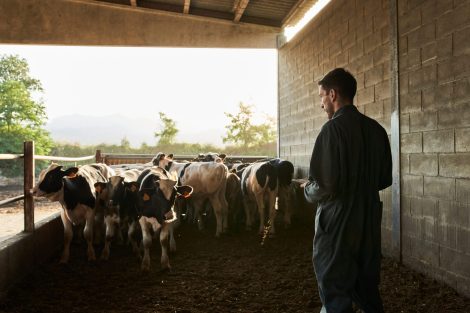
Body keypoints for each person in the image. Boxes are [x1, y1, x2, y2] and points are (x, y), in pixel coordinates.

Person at [303, 68, 392, 313]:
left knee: (335, 293)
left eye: (322, 96)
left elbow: (325, 185)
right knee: (368, 292)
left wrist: (307, 190)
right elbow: (384, 179)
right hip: (368, 224)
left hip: (337, 224)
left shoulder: (331, 130)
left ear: (333, 95)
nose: (321, 103)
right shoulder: (377, 130)